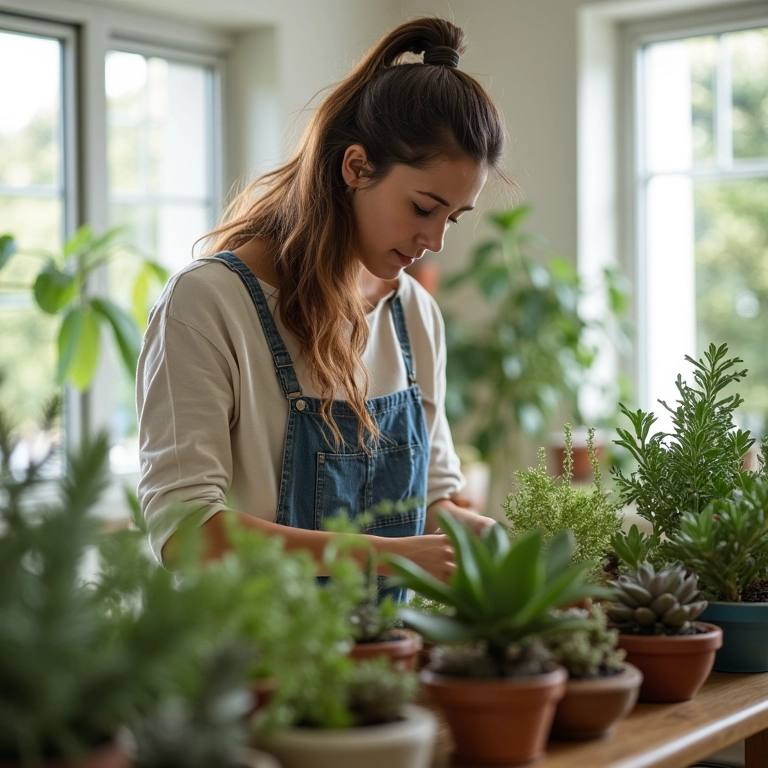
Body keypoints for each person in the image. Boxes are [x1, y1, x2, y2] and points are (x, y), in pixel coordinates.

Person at [136, 17, 506, 588]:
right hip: (247, 668)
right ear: (355, 167)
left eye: (453, 218)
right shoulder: (208, 303)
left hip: (388, 662)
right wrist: (383, 558)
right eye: (424, 207)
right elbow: (186, 532)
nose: (435, 241)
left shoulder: (414, 314)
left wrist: (475, 534)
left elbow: (431, 501)